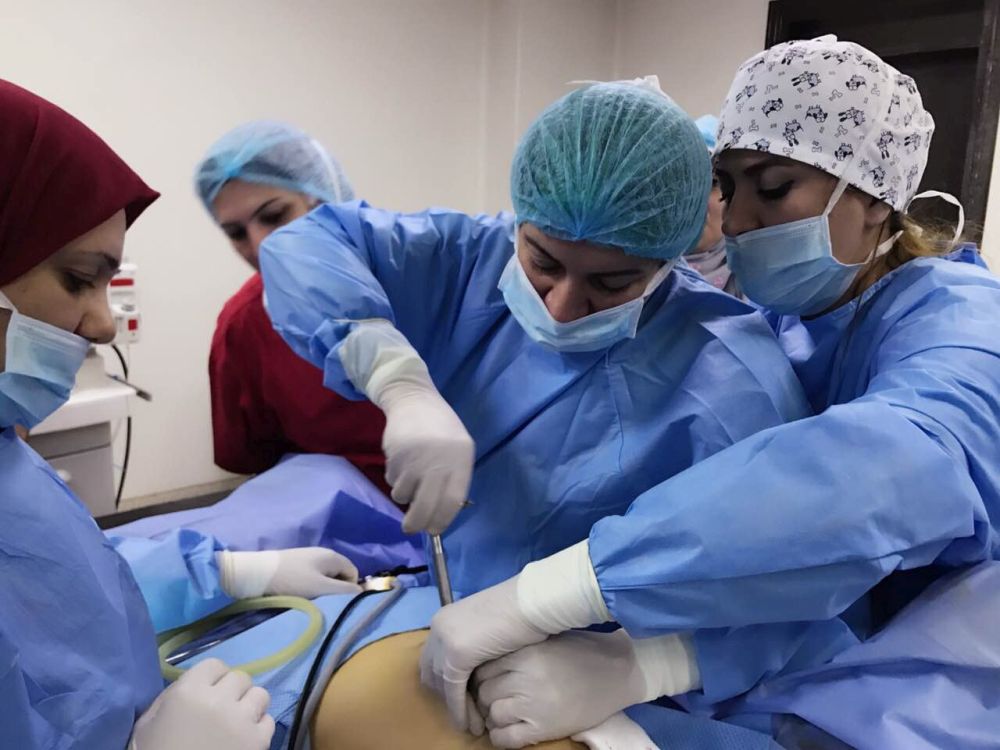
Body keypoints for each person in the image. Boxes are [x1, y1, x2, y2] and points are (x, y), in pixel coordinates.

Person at [420, 37, 1000, 749]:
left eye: (773, 187)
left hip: (939, 660)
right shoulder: (781, 318)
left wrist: (586, 607)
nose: (740, 220)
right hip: (793, 640)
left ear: (877, 197)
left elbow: (893, 472)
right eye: (726, 185)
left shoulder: (965, 322)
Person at [258, 76, 811, 598]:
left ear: (666, 261)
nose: (562, 307)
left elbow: (772, 578)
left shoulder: (729, 374)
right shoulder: (468, 260)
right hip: (449, 601)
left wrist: (637, 657)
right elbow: (305, 246)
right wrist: (396, 380)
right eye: (543, 262)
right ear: (520, 222)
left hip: (602, 648)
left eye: (611, 282)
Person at [0, 79, 362, 749]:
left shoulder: (7, 455)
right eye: (79, 278)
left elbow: (69, 590)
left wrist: (233, 573)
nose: (104, 324)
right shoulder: (244, 325)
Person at [194, 121, 388, 492]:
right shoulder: (244, 325)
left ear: (326, 198)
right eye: (236, 233)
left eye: (274, 216)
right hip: (338, 516)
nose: (259, 245)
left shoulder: (417, 273)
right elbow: (249, 458)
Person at [683, 114, 740, 297]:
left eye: (713, 183)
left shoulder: (755, 280)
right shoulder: (643, 277)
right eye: (684, 184)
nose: (695, 200)